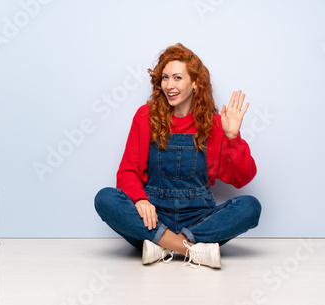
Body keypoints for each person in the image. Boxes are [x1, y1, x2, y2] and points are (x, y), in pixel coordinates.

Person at [94, 43, 261, 269]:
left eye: (177, 78)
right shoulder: (145, 117)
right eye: (164, 78)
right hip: (153, 218)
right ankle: (190, 249)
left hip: (198, 219)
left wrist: (233, 137)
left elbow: (242, 178)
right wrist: (141, 200)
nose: (169, 85)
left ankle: (161, 246)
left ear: (195, 83)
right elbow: (127, 172)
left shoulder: (214, 124)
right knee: (104, 199)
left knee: (251, 207)